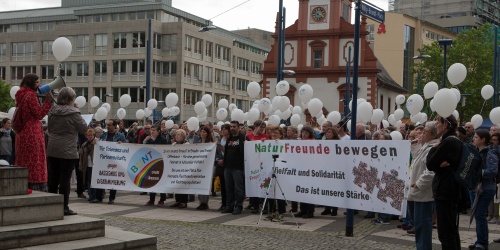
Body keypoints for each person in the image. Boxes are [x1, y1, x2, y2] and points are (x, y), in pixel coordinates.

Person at [46, 87, 88, 216]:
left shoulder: (52, 110)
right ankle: (64, 207)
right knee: (65, 179)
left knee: (53, 178)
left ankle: (51, 206)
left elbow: (50, 128)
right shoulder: (74, 113)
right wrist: (77, 110)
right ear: (71, 99)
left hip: (53, 148)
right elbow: (83, 128)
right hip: (68, 150)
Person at [426, 115, 462, 249]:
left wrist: (434, 148)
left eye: (438, 122)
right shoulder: (455, 140)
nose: (436, 125)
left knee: (446, 232)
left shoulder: (447, 142)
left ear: (445, 124)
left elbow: (430, 164)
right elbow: (434, 164)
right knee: (451, 230)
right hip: (450, 189)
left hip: (445, 190)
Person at [14, 74, 53, 191]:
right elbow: (39, 114)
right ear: (31, 83)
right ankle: (36, 185)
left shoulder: (21, 94)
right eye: (36, 82)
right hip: (32, 132)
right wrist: (48, 102)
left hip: (22, 133)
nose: (38, 85)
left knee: (23, 159)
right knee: (36, 160)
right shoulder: (30, 95)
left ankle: (22, 182)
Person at [408, 121, 439, 250]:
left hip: (423, 192)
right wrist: (414, 146)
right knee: (419, 224)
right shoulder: (425, 146)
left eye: (424, 132)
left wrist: (419, 184)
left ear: (432, 134)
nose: (420, 134)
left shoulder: (432, 147)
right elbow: (416, 159)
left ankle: (424, 247)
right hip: (418, 191)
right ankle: (421, 246)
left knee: (423, 224)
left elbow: (431, 170)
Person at [468, 129, 498, 250]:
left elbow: (492, 171)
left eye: (476, 137)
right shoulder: (477, 152)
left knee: (480, 214)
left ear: (483, 139)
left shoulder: (490, 153)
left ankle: (483, 243)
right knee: (478, 214)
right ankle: (480, 240)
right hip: (478, 187)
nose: (473, 139)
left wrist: (477, 173)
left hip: (486, 188)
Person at [221, 121, 247, 215]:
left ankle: (238, 206)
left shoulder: (243, 137)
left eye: (234, 126)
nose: (232, 128)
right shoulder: (229, 138)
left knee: (239, 189)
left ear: (238, 127)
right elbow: (227, 151)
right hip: (228, 167)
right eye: (231, 127)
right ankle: (229, 206)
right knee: (229, 188)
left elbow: (252, 148)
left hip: (238, 168)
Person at [246, 120, 270, 214]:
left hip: (263, 164)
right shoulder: (248, 136)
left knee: (264, 185)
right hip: (252, 165)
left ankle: (264, 206)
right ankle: (255, 205)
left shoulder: (266, 137)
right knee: (254, 185)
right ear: (255, 127)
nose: (262, 129)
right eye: (260, 127)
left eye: (263, 127)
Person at [100, 119, 126, 204]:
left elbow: (125, 147)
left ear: (114, 126)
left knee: (113, 178)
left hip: (115, 161)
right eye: (107, 125)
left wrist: (121, 144)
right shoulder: (103, 135)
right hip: (104, 160)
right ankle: (100, 196)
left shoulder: (120, 136)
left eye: (110, 125)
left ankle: (112, 197)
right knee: (102, 177)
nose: (107, 126)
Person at [144, 124, 169, 206]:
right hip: (151, 163)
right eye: (151, 130)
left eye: (154, 130)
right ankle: (151, 199)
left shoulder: (162, 140)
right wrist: (145, 141)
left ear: (158, 131)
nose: (152, 131)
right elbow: (143, 150)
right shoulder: (148, 140)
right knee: (151, 181)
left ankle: (162, 199)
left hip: (160, 163)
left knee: (161, 181)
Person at [294, 126, 316, 219]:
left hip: (309, 169)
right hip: (300, 169)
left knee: (309, 191)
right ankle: (303, 210)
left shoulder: (312, 142)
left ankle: (310, 211)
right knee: (301, 191)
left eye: (306, 133)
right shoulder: (299, 141)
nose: (304, 134)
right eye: (303, 132)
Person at [320, 127, 340, 216]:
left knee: (334, 190)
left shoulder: (337, 143)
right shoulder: (324, 143)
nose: (327, 134)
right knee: (326, 189)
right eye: (327, 132)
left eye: (329, 132)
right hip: (325, 167)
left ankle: (334, 209)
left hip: (334, 168)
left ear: (334, 134)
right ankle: (327, 208)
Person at [170, 129, 190, 208]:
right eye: (176, 135)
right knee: (176, 184)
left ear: (183, 136)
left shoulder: (187, 144)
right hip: (175, 167)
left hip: (184, 168)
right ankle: (178, 200)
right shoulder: (174, 144)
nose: (177, 136)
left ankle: (184, 201)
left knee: (183, 185)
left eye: (179, 135)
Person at [79, 129, 100, 203]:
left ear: (94, 135)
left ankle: (93, 196)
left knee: (93, 182)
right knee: (88, 182)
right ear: (86, 136)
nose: (90, 136)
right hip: (87, 165)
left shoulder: (97, 143)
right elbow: (81, 156)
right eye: (89, 135)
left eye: (91, 135)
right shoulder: (84, 145)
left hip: (94, 165)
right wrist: (81, 166)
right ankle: (91, 195)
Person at [196, 126, 214, 210]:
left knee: (205, 184)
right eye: (201, 132)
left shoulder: (210, 143)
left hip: (207, 166)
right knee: (199, 183)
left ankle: (205, 202)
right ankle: (201, 201)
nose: (202, 134)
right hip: (199, 166)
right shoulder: (198, 142)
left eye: (204, 132)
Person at [215, 124, 230, 211]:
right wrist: (218, 160)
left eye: (225, 129)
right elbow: (217, 152)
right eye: (222, 129)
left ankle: (229, 203)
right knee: (223, 186)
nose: (223, 131)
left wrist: (224, 159)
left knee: (229, 186)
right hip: (220, 164)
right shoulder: (220, 139)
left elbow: (228, 151)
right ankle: (223, 203)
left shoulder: (230, 140)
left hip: (228, 163)